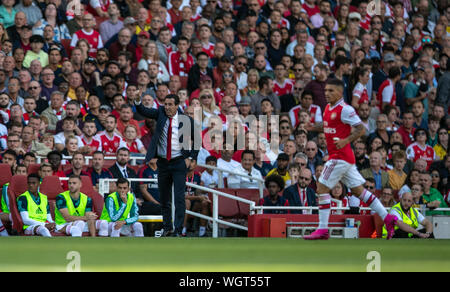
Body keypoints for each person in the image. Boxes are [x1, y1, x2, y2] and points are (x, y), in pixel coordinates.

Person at [303, 79, 399, 240]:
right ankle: (388, 218)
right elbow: (327, 124)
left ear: (340, 93)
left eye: (331, 91)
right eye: (326, 90)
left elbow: (361, 129)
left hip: (339, 156)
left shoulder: (346, 109)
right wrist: (314, 127)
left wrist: (345, 140)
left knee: (321, 189)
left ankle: (323, 229)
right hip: (345, 158)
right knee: (359, 192)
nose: (326, 93)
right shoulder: (328, 107)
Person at [134, 93, 199, 237]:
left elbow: (197, 138)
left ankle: (178, 229)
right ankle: (167, 227)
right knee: (164, 198)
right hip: (163, 162)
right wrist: (137, 100)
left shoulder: (186, 120)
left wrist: (192, 158)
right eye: (166, 104)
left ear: (177, 105)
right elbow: (143, 111)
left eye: (170, 105)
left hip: (178, 162)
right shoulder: (160, 113)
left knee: (179, 197)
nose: (167, 107)